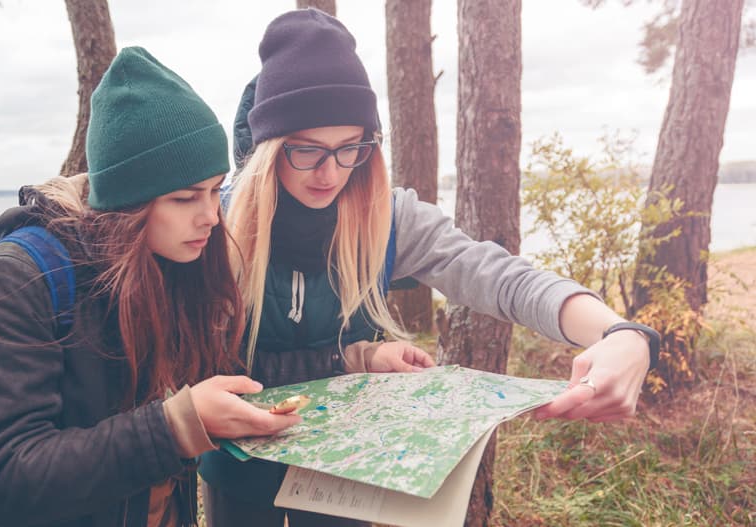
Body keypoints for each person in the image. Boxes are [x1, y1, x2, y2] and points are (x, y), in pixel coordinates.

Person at [198, 9, 657, 527]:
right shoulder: (216, 224)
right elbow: (205, 371)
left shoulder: (386, 218)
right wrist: (355, 357)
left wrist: (619, 331)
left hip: (345, 477)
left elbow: (500, 276)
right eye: (306, 151)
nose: (330, 173)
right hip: (237, 471)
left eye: (350, 148)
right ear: (269, 149)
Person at [0, 47, 300, 527]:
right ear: (126, 202)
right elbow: (0, 481)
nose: (212, 216)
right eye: (184, 197)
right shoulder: (16, 283)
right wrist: (174, 427)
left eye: (216, 189)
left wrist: (356, 359)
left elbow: (233, 369)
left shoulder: (172, 261)